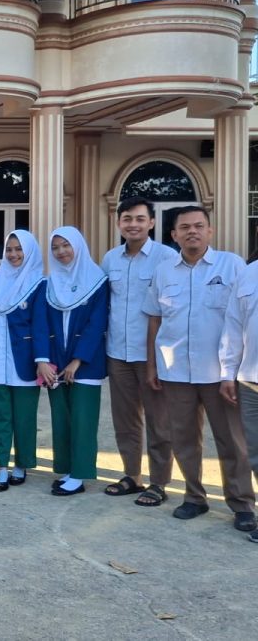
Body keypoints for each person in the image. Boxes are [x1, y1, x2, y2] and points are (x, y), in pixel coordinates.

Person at [145, 207, 256, 531]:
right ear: (174, 235)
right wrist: (152, 365)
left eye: (198, 226)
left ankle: (241, 503)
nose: (192, 231)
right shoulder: (164, 271)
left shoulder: (233, 266)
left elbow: (241, 320)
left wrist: (233, 370)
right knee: (184, 438)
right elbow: (155, 318)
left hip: (219, 373)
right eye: (184, 227)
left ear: (210, 230)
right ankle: (194, 497)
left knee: (232, 441)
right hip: (175, 370)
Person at [101, 197, 177, 507]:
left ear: (152, 223)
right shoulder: (110, 259)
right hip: (118, 352)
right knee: (125, 419)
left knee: (159, 421)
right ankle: (132, 475)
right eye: (127, 218)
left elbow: (171, 311)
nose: (133, 224)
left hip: (153, 356)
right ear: (119, 223)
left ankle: (159, 482)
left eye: (139, 218)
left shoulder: (166, 258)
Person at [43, 227, 108, 497]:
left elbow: (97, 323)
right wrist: (46, 360)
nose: (61, 252)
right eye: (56, 247)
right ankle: (68, 469)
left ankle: (80, 475)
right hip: (57, 361)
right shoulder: (50, 282)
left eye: (66, 246)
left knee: (83, 419)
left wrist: (78, 360)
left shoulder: (97, 279)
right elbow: (44, 322)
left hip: (86, 363)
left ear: (78, 246)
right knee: (62, 417)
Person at [0, 230, 50, 492]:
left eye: (18, 249)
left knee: (24, 417)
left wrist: (42, 359)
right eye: (9, 249)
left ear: (29, 252)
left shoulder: (39, 283)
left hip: (23, 360)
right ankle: (1, 465)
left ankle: (21, 464)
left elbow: (41, 325)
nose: (13, 254)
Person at [219, 258, 258, 543]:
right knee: (255, 453)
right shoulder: (248, 274)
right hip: (250, 378)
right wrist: (227, 373)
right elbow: (233, 326)